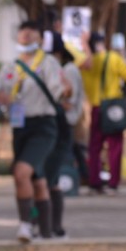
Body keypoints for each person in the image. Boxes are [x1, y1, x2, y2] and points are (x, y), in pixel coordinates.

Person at [0, 20, 70, 243]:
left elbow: (60, 91)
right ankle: (44, 230)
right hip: (19, 125)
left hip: (43, 125)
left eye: (31, 32)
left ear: (40, 38)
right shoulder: (10, 66)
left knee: (21, 172)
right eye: (22, 32)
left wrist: (67, 92)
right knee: (37, 179)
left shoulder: (48, 63)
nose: (25, 35)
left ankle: (25, 225)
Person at [80, 31, 126, 194]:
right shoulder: (114, 58)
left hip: (96, 106)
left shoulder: (85, 62)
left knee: (95, 146)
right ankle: (113, 182)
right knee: (115, 146)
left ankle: (94, 181)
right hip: (113, 106)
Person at [49, 34, 86, 236]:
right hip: (61, 123)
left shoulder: (68, 71)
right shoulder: (62, 69)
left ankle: (55, 226)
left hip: (66, 123)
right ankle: (51, 226)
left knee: (55, 174)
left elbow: (68, 100)